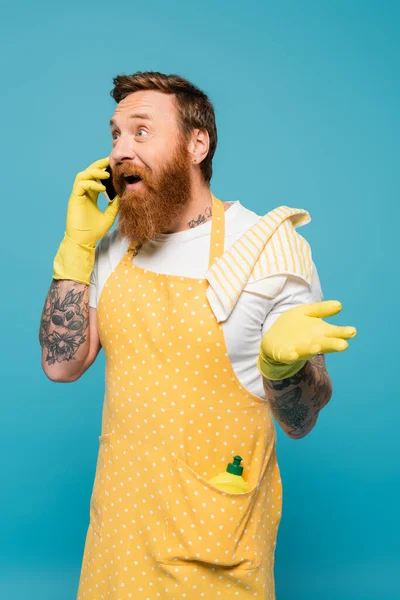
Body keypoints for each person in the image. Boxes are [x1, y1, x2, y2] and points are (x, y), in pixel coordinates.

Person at [39, 71, 357, 600]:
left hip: (215, 545)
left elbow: (301, 421)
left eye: (141, 132)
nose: (120, 150)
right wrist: (74, 250)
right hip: (119, 539)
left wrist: (284, 370)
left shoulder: (268, 250)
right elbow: (62, 364)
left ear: (197, 144)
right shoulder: (115, 243)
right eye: (115, 134)